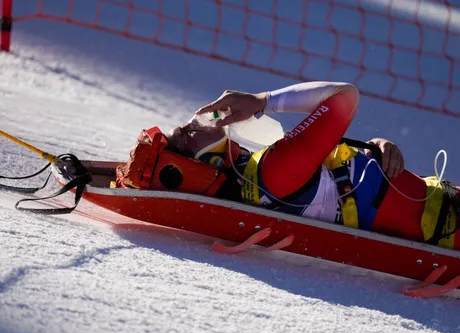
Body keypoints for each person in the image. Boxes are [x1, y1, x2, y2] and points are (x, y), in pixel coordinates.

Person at [121, 82, 460, 250]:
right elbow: (345, 96)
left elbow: (338, 168)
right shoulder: (273, 172)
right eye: (180, 139)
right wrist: (264, 100)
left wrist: (376, 147)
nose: (183, 126)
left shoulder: (259, 173)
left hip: (443, 203)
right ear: (201, 166)